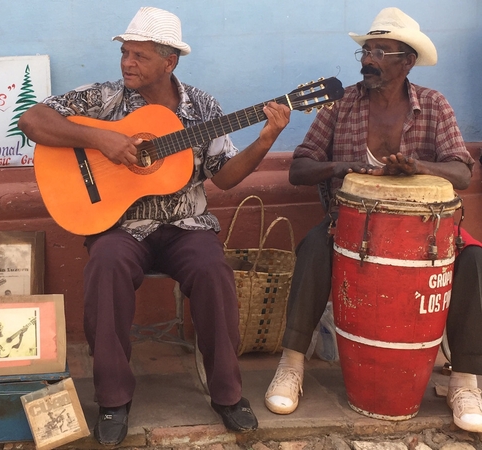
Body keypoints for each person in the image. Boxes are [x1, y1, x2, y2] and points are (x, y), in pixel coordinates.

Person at [18, 6, 290, 445]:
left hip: (187, 224)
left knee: (213, 271)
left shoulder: (204, 107)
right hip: (121, 226)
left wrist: (265, 139)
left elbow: (224, 177)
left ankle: (227, 393)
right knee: (105, 265)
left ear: (170, 61)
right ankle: (112, 399)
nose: (127, 63)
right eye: (125, 53)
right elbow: (31, 120)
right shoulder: (104, 98)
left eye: (140, 57)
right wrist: (102, 138)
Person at [264, 7, 482, 433]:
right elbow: (299, 167)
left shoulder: (433, 105)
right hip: (346, 224)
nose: (370, 59)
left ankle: (466, 380)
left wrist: (417, 167)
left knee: (473, 259)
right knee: (313, 248)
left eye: (383, 51)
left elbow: (462, 170)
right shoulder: (340, 103)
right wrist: (343, 166)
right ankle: (291, 365)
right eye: (368, 50)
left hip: (425, 234)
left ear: (407, 61)